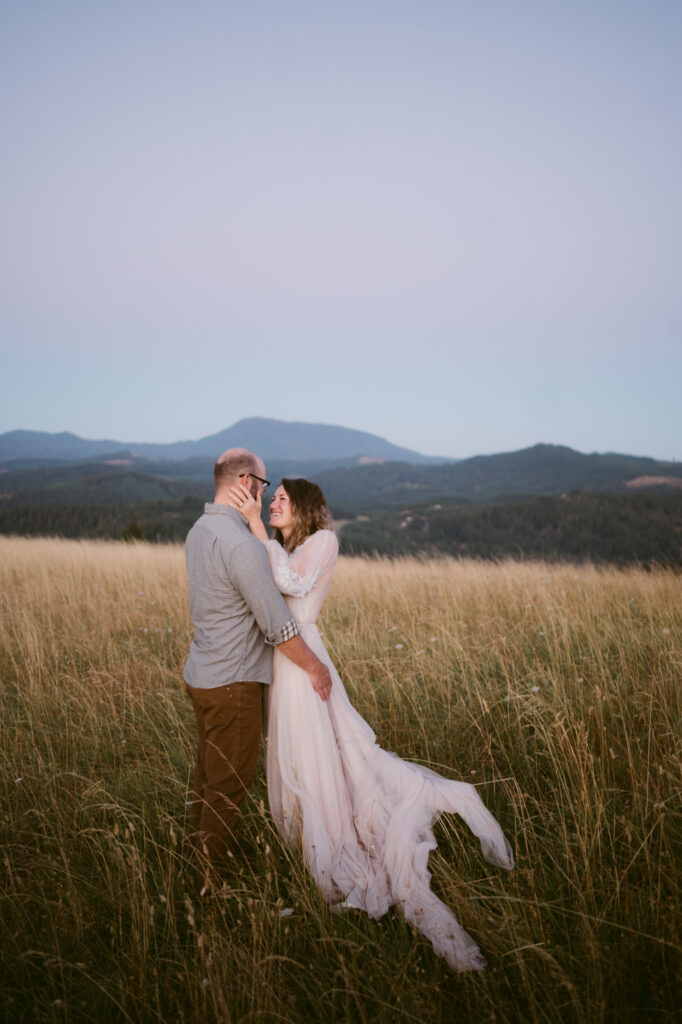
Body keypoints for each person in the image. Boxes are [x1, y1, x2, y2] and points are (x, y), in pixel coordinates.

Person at [230, 475, 515, 973]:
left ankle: (337, 840)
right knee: (300, 754)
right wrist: (263, 535)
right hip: (284, 661)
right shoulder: (280, 544)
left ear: (307, 507)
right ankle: (308, 834)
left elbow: (291, 584)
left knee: (324, 753)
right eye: (269, 498)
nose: (272, 502)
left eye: (280, 498)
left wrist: (255, 525)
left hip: (305, 663)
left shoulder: (324, 540)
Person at [183, 449, 332, 884]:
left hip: (202, 676)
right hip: (234, 683)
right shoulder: (242, 545)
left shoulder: (199, 530)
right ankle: (207, 885)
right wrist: (317, 669)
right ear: (246, 482)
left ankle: (194, 868)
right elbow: (278, 626)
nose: (265, 495)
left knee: (208, 781)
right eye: (264, 486)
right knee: (228, 788)